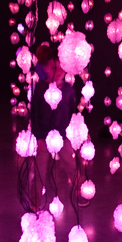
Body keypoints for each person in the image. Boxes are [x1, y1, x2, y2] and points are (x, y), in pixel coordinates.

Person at [29, 42, 76, 209]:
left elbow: (73, 112)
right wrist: (39, 137)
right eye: (52, 68)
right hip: (43, 136)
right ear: (47, 68)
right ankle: (35, 202)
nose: (56, 72)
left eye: (60, 69)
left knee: (71, 166)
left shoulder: (69, 90)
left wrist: (75, 134)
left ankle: (80, 191)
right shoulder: (41, 88)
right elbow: (34, 114)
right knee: (40, 171)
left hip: (63, 136)